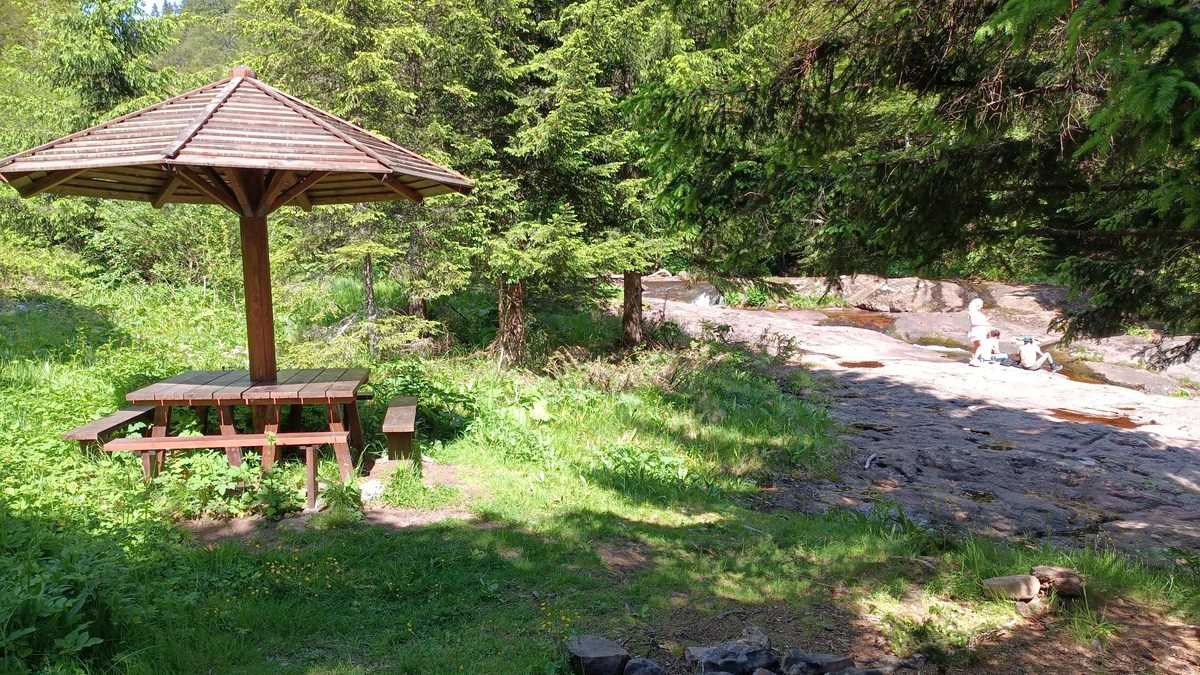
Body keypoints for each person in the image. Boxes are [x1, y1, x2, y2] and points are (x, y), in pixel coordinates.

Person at [966, 298, 992, 366]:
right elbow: (974, 322)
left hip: (979, 329)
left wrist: (985, 321)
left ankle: (974, 358)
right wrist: (985, 322)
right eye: (981, 305)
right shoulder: (973, 313)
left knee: (977, 345)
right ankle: (974, 359)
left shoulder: (976, 313)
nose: (982, 306)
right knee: (980, 345)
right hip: (977, 330)